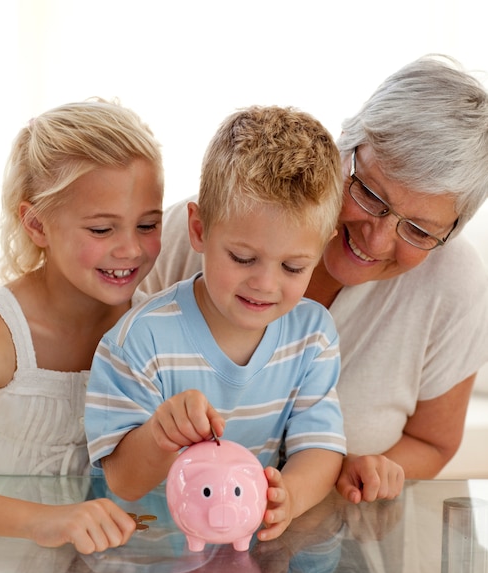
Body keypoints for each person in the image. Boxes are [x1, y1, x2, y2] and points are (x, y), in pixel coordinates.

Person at [139, 54, 488, 504]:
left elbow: (434, 442)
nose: (378, 241)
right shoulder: (222, 225)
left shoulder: (455, 285)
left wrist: (373, 470)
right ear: (345, 146)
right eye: (370, 194)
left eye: (419, 231)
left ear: (451, 232)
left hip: (334, 542)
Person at [85, 105, 347, 542]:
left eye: (293, 266)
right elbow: (121, 482)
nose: (264, 284)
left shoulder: (313, 336)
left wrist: (290, 497)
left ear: (320, 252)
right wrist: (160, 435)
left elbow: (320, 446)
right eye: (243, 258)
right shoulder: (140, 340)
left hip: (248, 555)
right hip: (150, 558)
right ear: (199, 229)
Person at [0, 99, 164, 554]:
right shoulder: (0, 336)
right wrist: (44, 521)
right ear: (37, 224)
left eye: (147, 224)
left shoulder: (155, 332)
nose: (130, 250)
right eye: (102, 230)